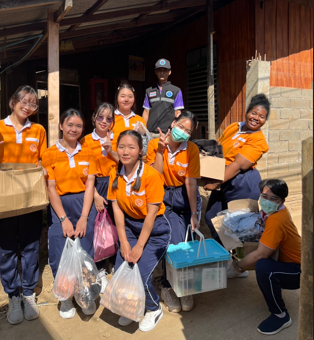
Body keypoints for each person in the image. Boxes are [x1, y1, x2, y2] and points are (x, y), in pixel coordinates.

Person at [107, 130, 171, 332]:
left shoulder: (151, 176)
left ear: (140, 150)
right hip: (130, 227)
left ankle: (153, 308)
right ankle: (132, 307)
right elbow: (116, 209)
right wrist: (124, 243)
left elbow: (151, 216)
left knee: (140, 276)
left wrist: (139, 247)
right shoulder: (114, 173)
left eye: (131, 147)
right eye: (122, 147)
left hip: (155, 230)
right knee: (122, 272)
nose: (125, 152)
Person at [42, 108, 98, 319]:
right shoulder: (49, 153)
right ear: (61, 126)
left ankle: (85, 294)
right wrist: (63, 219)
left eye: (79, 126)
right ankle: (65, 296)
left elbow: (90, 184)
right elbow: (51, 188)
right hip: (60, 206)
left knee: (85, 252)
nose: (74, 129)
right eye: (70, 125)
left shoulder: (88, 152)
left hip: (84, 203)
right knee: (59, 252)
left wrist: (84, 217)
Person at [227, 179, 301, 336]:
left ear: (282, 200)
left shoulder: (276, 220)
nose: (267, 201)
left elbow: (261, 254)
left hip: (299, 272)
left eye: (273, 198)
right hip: (295, 262)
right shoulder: (275, 212)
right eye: (264, 196)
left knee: (264, 267)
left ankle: (280, 315)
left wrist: (239, 266)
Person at [146, 111, 202, 313]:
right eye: (181, 127)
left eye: (188, 131)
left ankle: (185, 287)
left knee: (188, 240)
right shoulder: (154, 145)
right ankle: (168, 286)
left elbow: (191, 181)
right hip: (162, 195)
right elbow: (155, 175)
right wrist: (161, 151)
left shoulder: (192, 149)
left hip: (184, 195)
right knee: (172, 240)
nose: (184, 133)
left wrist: (194, 213)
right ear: (173, 123)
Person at [0, 85, 47, 325]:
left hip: (30, 199)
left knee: (30, 248)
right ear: (13, 102)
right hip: (5, 199)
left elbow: (41, 159)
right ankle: (13, 296)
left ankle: (28, 293)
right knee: (6, 250)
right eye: (24, 101)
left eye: (32, 104)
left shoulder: (38, 129)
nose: (27, 107)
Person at [204, 93, 270, 243]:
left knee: (240, 225)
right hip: (224, 176)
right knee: (212, 216)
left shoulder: (258, 141)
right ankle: (227, 251)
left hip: (242, 181)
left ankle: (243, 258)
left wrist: (215, 182)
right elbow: (219, 148)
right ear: (247, 112)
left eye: (261, 116)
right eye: (253, 113)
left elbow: (238, 165)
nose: (256, 118)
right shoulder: (234, 127)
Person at [80, 103, 118, 279]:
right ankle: (101, 267)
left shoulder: (118, 138)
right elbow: (84, 172)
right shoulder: (86, 141)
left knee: (115, 224)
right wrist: (95, 195)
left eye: (109, 118)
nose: (104, 121)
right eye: (100, 117)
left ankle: (117, 262)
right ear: (94, 118)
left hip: (115, 184)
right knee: (98, 227)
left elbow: (125, 163)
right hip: (96, 185)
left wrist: (111, 150)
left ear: (113, 121)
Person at [142, 58, 184, 137]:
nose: (162, 73)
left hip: (167, 133)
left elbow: (177, 112)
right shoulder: (149, 91)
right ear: (156, 72)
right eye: (159, 70)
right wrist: (144, 130)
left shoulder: (176, 90)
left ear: (169, 72)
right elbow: (146, 112)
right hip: (151, 133)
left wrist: (175, 130)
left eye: (165, 70)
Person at [111, 83, 147, 151]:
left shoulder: (140, 120)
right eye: (123, 96)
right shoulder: (110, 119)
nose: (126, 99)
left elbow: (144, 144)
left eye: (130, 97)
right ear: (117, 98)